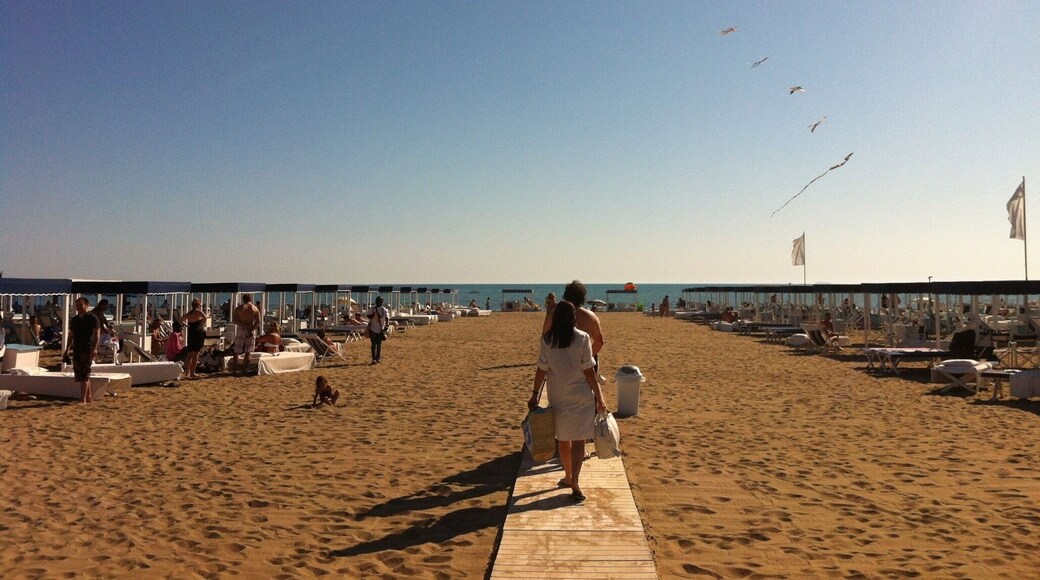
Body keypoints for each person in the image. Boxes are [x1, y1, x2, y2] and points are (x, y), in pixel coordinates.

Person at [527, 301, 607, 503]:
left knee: (563, 439)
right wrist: (600, 397)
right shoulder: (582, 338)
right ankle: (575, 480)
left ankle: (568, 476)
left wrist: (535, 394)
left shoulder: (547, 340)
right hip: (581, 395)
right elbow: (589, 371)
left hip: (558, 396)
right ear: (573, 318)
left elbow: (541, 370)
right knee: (579, 440)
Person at [542, 280, 605, 370]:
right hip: (583, 362)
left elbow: (545, 335)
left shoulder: (555, 314)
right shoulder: (591, 316)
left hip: (560, 360)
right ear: (583, 297)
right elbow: (599, 342)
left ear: (566, 296)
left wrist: (549, 313)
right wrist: (585, 358)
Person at [64, 297, 100, 404]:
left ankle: (82, 398)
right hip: (77, 349)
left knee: (85, 373)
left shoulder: (92, 318)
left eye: (81, 305)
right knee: (80, 374)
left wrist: (95, 349)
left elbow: (97, 334)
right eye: (77, 305)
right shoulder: (75, 320)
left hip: (87, 348)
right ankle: (88, 397)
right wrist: (67, 349)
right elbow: (71, 335)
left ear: (87, 305)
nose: (78, 307)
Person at [230, 294, 261, 375]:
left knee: (237, 350)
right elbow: (258, 321)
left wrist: (243, 325)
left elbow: (235, 320)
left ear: (243, 299)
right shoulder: (255, 308)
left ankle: (234, 370)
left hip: (241, 328)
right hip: (251, 328)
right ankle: (243, 370)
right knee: (248, 351)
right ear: (250, 299)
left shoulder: (239, 308)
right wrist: (251, 328)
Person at [180, 298, 207, 378]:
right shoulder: (198, 312)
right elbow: (205, 317)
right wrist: (201, 325)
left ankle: (187, 372)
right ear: (198, 305)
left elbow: (181, 319)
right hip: (198, 333)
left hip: (191, 332)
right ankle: (192, 372)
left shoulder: (190, 313)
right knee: (196, 353)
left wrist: (187, 325)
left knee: (189, 353)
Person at [367, 296, 390, 364]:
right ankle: (374, 358)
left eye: (379, 300)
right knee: (373, 344)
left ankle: (378, 357)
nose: (378, 302)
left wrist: (387, 325)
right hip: (373, 329)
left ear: (382, 302)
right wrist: (373, 315)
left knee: (379, 345)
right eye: (377, 300)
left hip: (380, 329)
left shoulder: (384, 309)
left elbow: (387, 317)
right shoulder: (372, 308)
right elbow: (368, 316)